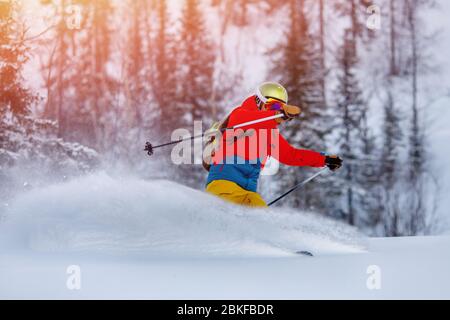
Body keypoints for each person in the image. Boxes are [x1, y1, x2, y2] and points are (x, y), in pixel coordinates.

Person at [204, 82, 342, 207]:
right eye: (273, 105)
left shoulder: (269, 135)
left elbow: (291, 155)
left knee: (263, 220)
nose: (276, 110)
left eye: (281, 107)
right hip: (223, 185)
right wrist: (278, 114)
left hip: (247, 192)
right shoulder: (240, 116)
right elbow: (253, 121)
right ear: (259, 102)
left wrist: (324, 159)